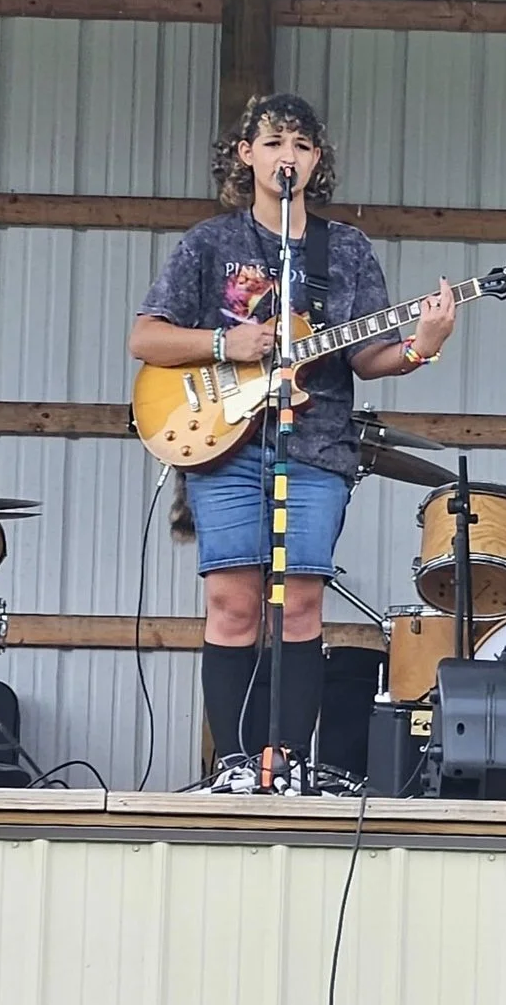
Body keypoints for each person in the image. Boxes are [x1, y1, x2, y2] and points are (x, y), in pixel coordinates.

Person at [129, 93, 457, 784]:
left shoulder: (345, 249)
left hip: (317, 444)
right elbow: (146, 336)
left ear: (317, 161)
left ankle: (290, 760)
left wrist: (422, 346)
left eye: (303, 146)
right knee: (233, 600)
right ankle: (239, 764)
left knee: (301, 600)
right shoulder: (209, 243)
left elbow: (369, 355)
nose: (289, 156)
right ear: (245, 154)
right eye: (275, 142)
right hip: (224, 441)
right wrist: (226, 338)